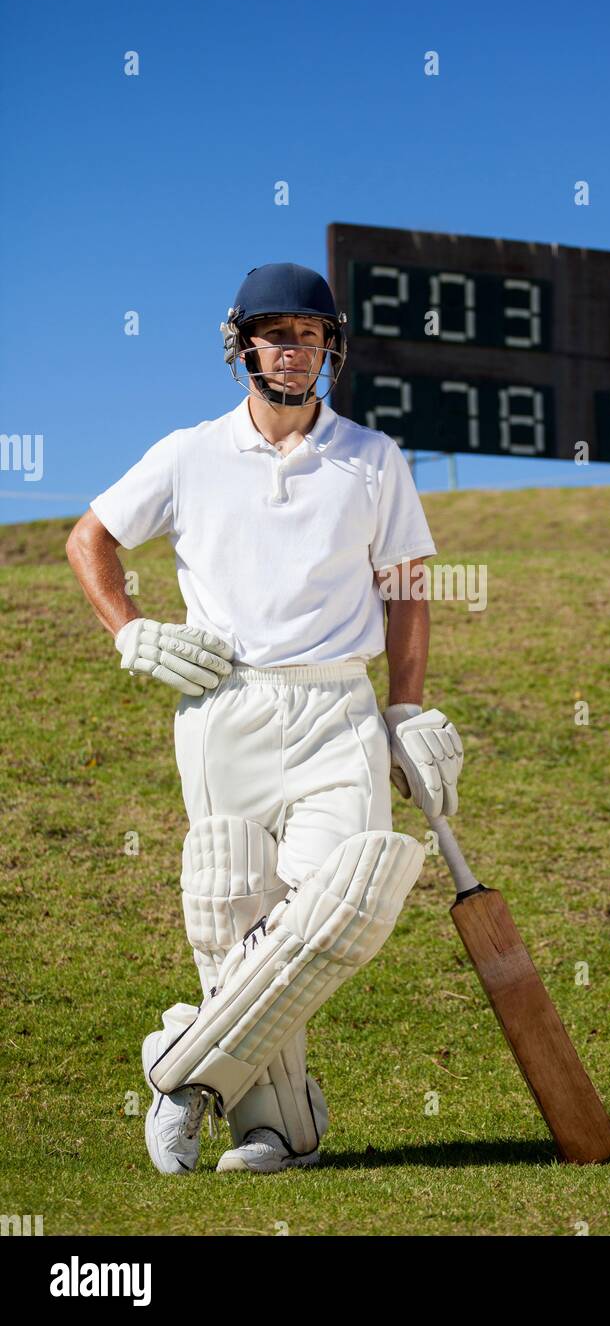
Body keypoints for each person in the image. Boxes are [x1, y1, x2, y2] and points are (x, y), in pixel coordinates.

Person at [66, 262, 463, 1174]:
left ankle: (178, 1063)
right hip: (222, 702)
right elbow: (90, 540)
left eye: (313, 336)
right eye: (278, 334)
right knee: (233, 905)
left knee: (340, 906)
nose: (295, 351)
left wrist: (404, 705)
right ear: (242, 345)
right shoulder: (187, 453)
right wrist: (129, 633)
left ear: (331, 349)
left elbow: (405, 589)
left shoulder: (372, 459)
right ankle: (281, 1131)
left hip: (338, 706)